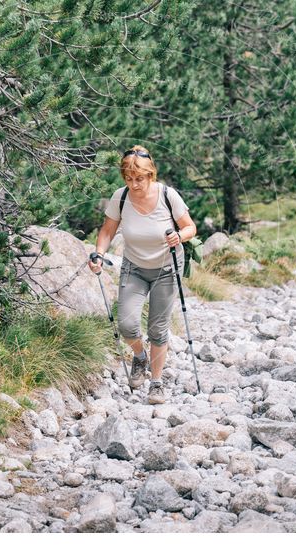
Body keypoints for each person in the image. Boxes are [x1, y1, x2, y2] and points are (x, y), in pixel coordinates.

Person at [88, 145, 197, 405]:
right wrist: (99, 254)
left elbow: (190, 228)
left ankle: (156, 383)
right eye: (128, 178)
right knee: (126, 324)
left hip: (167, 267)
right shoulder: (121, 197)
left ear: (151, 175)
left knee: (158, 329)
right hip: (134, 267)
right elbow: (107, 231)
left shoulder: (168, 196)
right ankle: (139, 357)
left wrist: (178, 236)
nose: (134, 184)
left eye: (139, 178)